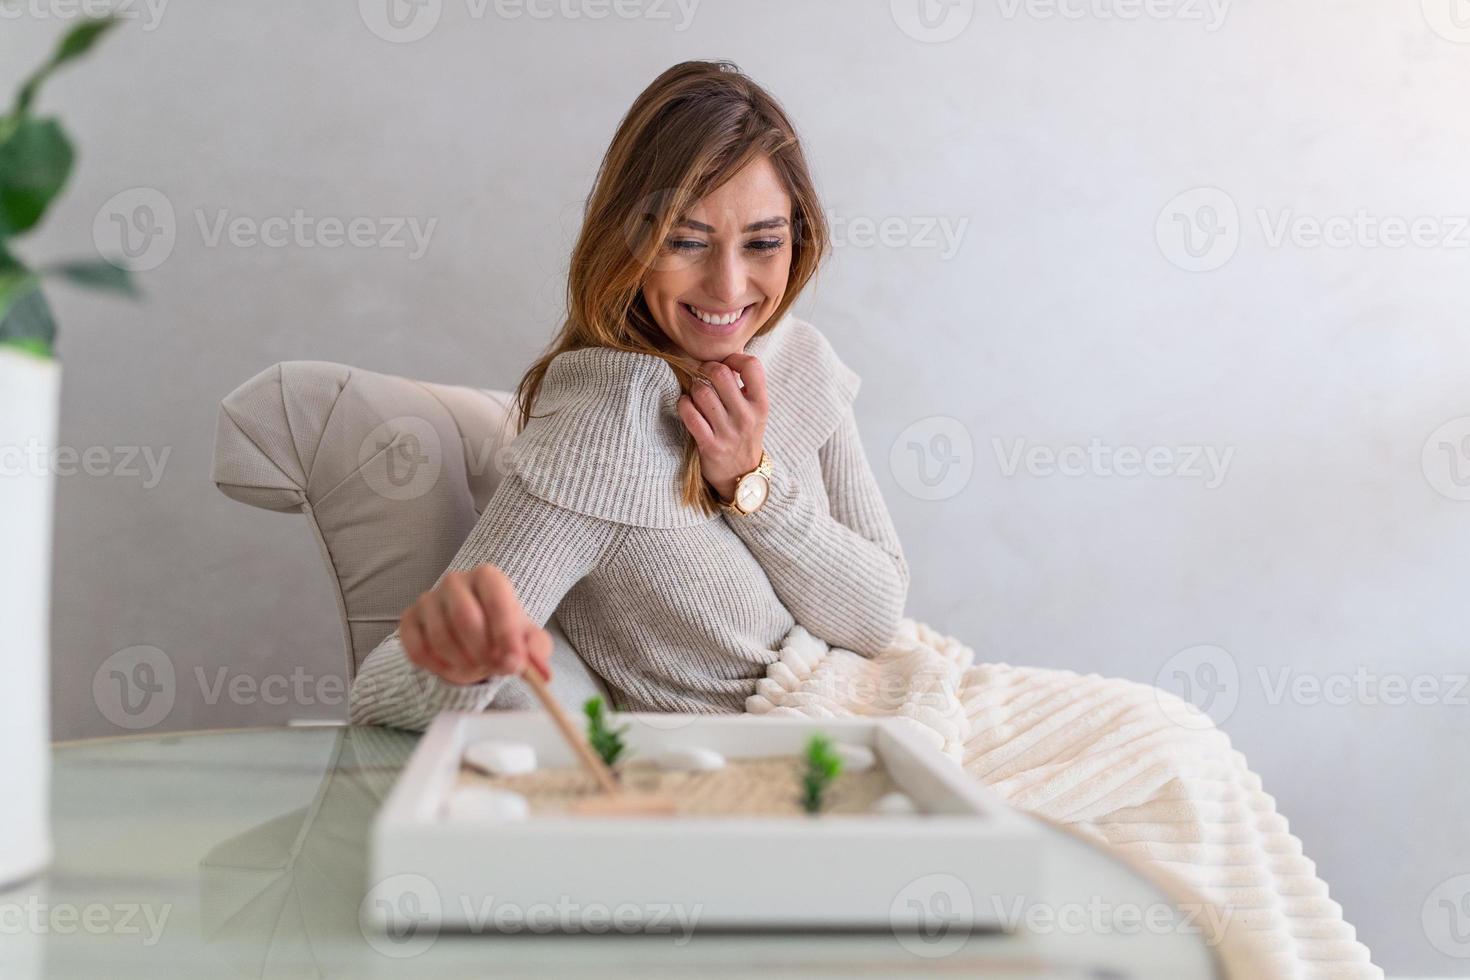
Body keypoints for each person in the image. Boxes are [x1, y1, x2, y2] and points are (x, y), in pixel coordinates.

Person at [350, 60, 908, 729]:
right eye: (685, 242)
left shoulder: (796, 355)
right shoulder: (601, 431)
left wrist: (749, 481)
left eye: (763, 242)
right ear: (629, 239)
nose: (729, 289)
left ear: (799, 237)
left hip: (893, 698)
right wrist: (459, 657)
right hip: (784, 763)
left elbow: (877, 617)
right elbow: (379, 691)